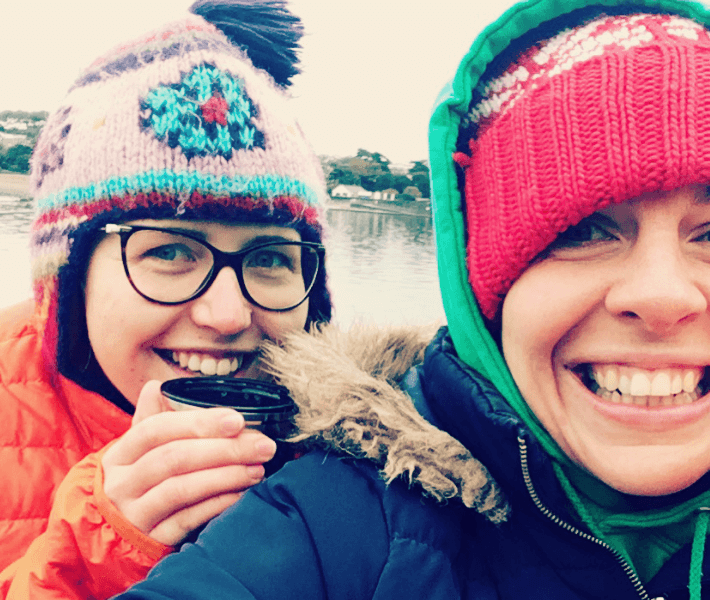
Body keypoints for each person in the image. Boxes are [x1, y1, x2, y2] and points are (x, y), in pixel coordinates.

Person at [115, 0, 710, 598]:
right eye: (580, 231)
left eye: (709, 236)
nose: (663, 295)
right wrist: (101, 539)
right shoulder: (336, 524)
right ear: (483, 299)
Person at [0, 1, 332, 598]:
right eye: (170, 251)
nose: (228, 316)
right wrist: (93, 560)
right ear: (69, 275)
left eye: (269, 259)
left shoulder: (369, 439)